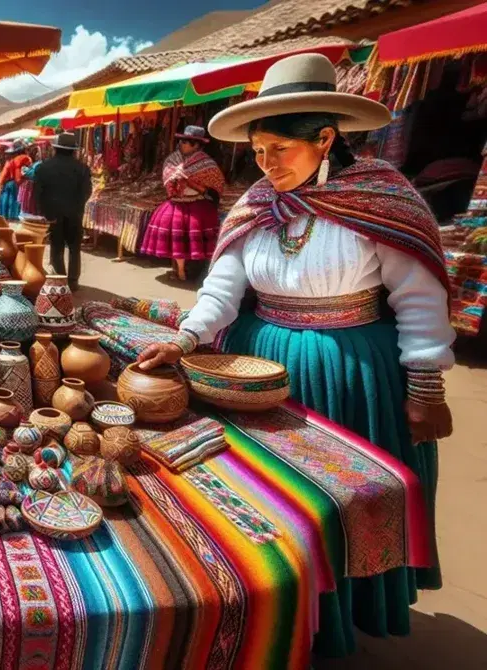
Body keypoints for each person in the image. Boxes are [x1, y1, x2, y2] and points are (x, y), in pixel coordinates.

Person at [136, 54, 454, 656]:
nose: (267, 164)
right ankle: (275, 621)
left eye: (280, 149)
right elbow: (222, 291)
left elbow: (418, 298)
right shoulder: (257, 205)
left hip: (350, 373)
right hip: (257, 369)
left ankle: (336, 620)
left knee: (341, 501)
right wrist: (183, 339)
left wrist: (426, 388)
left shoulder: (381, 198)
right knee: (271, 502)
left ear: (325, 138)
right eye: (258, 152)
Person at [139, 125, 226, 281]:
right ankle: (179, 270)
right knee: (176, 238)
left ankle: (191, 270)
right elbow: (167, 178)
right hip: (176, 203)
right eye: (182, 141)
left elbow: (215, 186)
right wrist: (175, 181)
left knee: (193, 239)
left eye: (188, 142)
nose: (183, 144)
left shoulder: (207, 164)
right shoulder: (172, 160)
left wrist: (191, 183)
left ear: (198, 145)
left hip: (197, 204)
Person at [34, 132, 92, 289]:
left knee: (56, 247)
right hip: (75, 214)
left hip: (54, 214)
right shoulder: (83, 169)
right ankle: (73, 282)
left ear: (55, 148)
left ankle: (60, 280)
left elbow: (38, 194)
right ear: (73, 150)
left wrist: (47, 213)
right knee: (74, 248)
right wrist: (77, 207)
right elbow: (87, 192)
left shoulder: (43, 168)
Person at [0, 142, 31, 220]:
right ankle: (14, 217)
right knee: (15, 200)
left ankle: (4, 217)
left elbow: (3, 174)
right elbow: (27, 173)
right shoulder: (25, 159)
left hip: (8, 184)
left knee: (6, 200)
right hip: (17, 183)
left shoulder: (9, 161)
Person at [17, 145, 42, 216]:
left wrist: (25, 171)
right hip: (28, 188)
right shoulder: (33, 163)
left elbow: (32, 174)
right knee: (27, 205)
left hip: (31, 187)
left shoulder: (38, 164)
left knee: (29, 205)